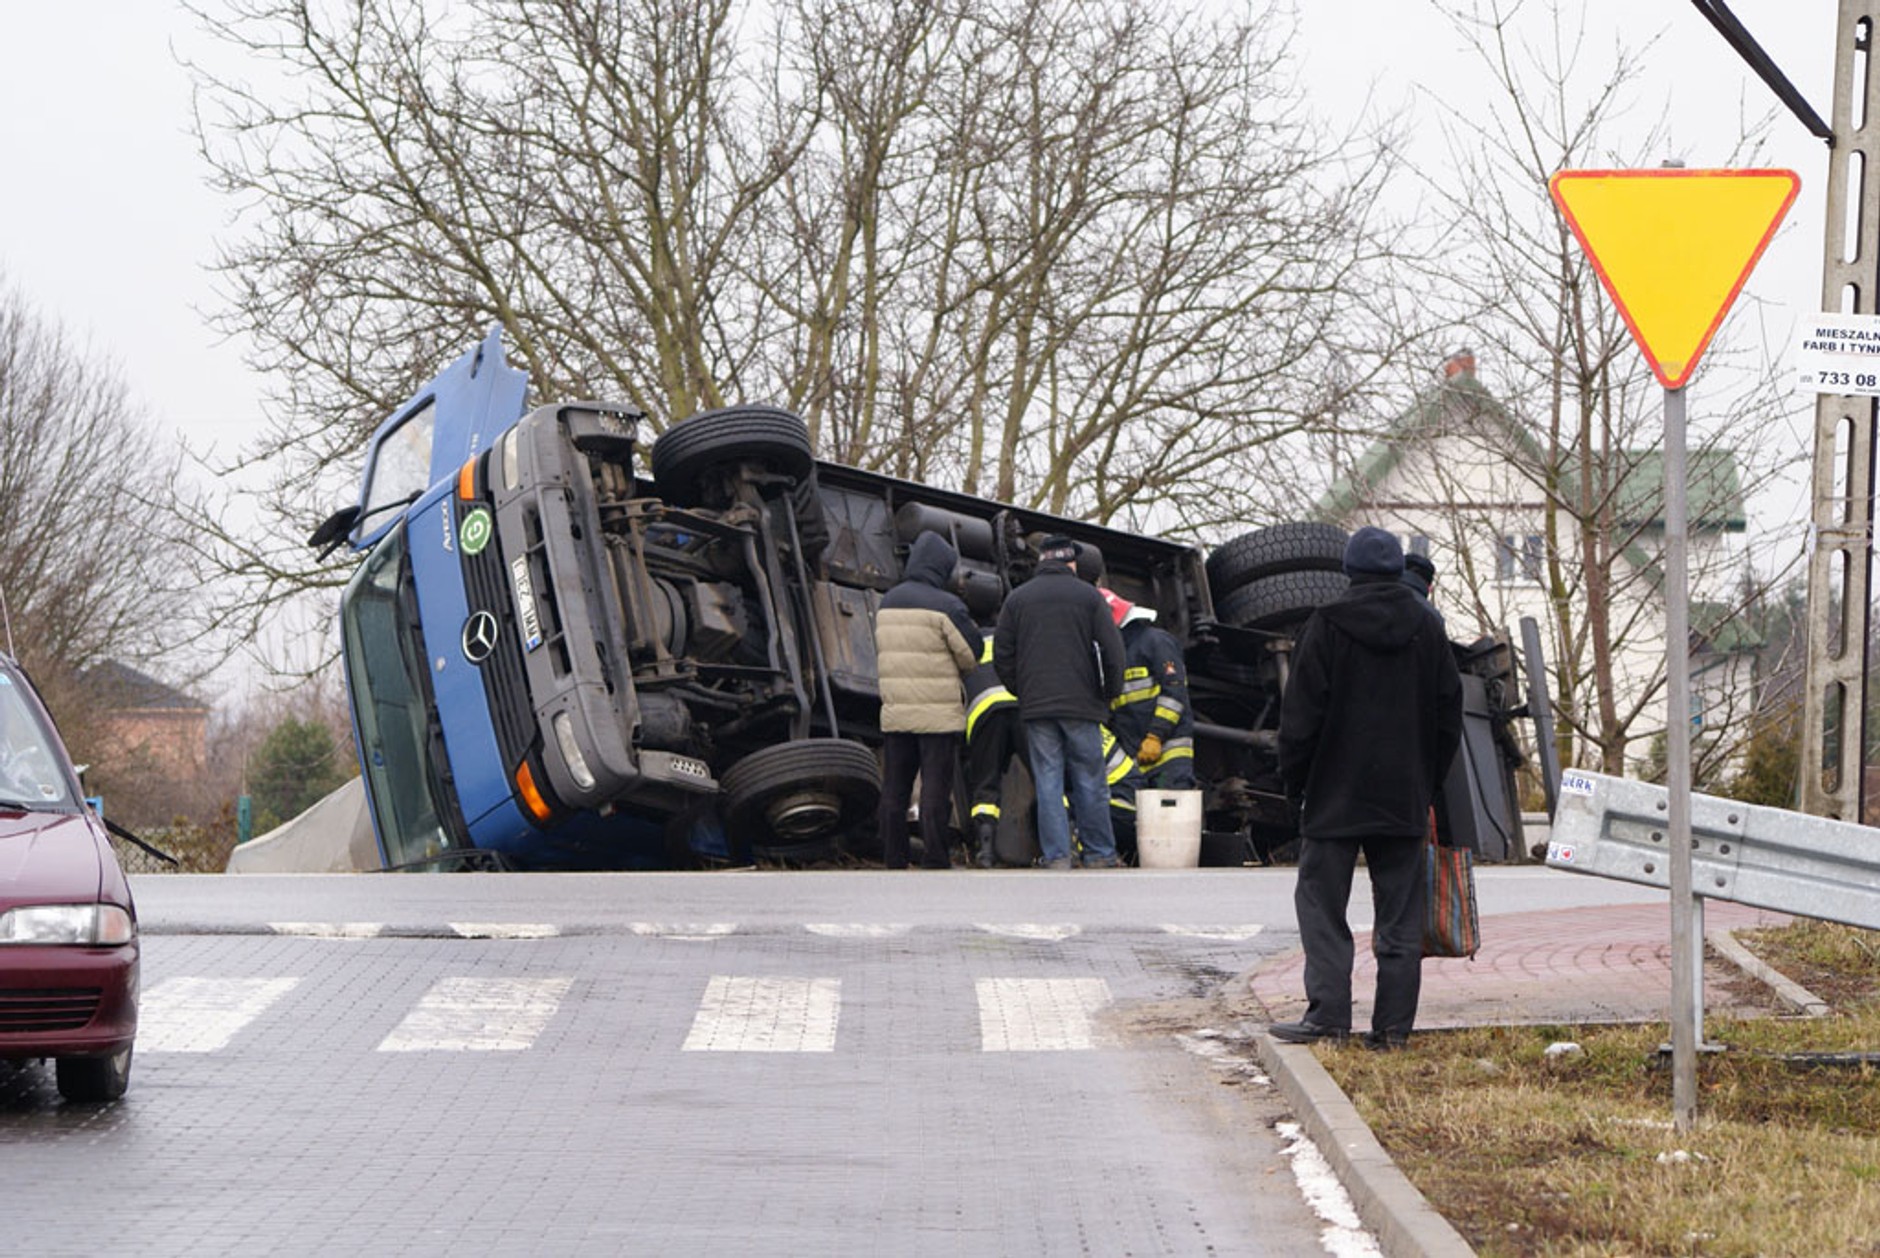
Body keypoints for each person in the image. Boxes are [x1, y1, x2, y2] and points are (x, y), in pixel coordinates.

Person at [1272, 526, 1463, 1050]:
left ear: (1349, 571)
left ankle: (1328, 1017)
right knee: (1400, 918)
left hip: (1333, 795)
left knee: (1320, 906)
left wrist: (1296, 784)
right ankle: (1392, 1030)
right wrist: (1427, 782)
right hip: (1402, 798)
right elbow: (1450, 719)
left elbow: (1300, 719)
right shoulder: (1429, 629)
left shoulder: (1326, 625)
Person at [993, 535, 1127, 870]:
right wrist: (1109, 692)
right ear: (1072, 562)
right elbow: (1113, 652)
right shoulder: (1089, 598)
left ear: (1042, 560)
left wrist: (1021, 690)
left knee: (1048, 779)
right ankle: (1099, 853)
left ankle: (1056, 856)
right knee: (1090, 778)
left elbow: (1002, 655)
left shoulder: (1017, 599)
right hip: (1083, 704)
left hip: (1038, 706)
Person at [874, 530, 981, 869]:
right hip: (937, 713)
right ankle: (935, 857)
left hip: (897, 710)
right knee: (935, 789)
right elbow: (971, 653)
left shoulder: (887, 601)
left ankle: (894, 857)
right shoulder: (946, 605)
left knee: (894, 789)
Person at [1099, 588, 1195, 791]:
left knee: (1171, 815)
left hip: (1169, 753)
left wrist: (1155, 736)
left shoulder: (1155, 642)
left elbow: (1174, 693)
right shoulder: (1113, 659)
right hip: (1136, 759)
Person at [962, 626, 1027, 868]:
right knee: (1047, 778)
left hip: (984, 712)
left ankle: (985, 851)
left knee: (985, 786)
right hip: (1022, 707)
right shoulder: (1014, 634)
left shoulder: (966, 637)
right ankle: (1065, 847)